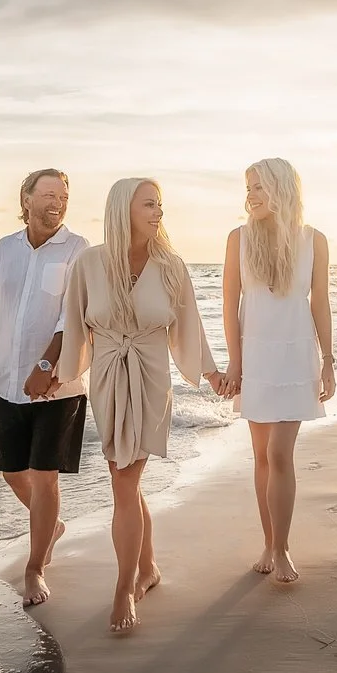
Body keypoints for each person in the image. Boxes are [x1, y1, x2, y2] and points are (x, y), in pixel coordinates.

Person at [55, 176, 221, 633]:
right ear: (122, 209)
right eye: (149, 204)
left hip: (149, 375)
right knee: (123, 475)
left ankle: (125, 585)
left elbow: (189, 326)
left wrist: (212, 373)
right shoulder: (89, 263)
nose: (158, 213)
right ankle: (147, 567)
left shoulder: (171, 266)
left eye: (160, 205)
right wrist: (61, 375)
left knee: (126, 478)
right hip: (108, 375)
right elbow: (73, 325)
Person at [219, 157, 334, 584]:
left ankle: (282, 548)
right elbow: (229, 304)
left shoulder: (313, 240)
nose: (250, 196)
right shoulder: (239, 239)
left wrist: (329, 361)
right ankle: (268, 543)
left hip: (295, 355)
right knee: (261, 457)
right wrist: (235, 360)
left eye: (259, 187)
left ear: (282, 190)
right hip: (257, 357)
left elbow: (319, 302)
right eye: (248, 187)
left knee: (279, 453)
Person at [0, 167, 89, 607]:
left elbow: (73, 315)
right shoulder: (4, 248)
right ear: (26, 199)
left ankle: (35, 567)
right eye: (46, 194)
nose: (55, 202)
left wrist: (47, 364)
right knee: (10, 470)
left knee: (45, 477)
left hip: (56, 385)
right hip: (1, 378)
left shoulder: (78, 249)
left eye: (62, 195)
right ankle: (51, 526)